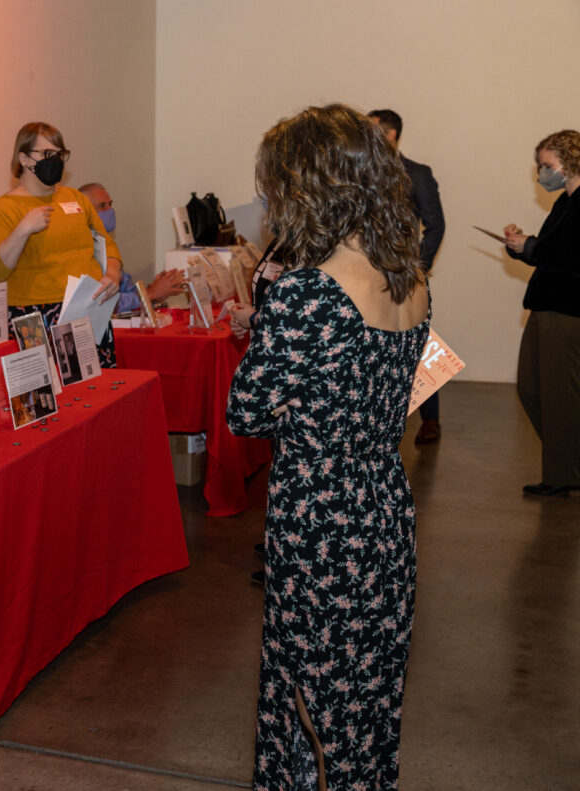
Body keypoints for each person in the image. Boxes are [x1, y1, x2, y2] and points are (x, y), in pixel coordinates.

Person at [227, 104, 429, 789]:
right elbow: (390, 390)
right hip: (384, 503)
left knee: (311, 682)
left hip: (318, 512)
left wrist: (286, 376)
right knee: (370, 685)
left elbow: (246, 409)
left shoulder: (306, 294)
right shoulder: (410, 278)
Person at [503, 129, 580, 497]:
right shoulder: (567, 201)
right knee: (531, 389)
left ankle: (565, 476)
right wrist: (521, 246)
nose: (540, 172)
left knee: (559, 396)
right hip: (548, 307)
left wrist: (529, 246)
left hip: (568, 312)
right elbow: (551, 251)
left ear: (570, 162)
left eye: (546, 165)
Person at [0, 122, 121, 367]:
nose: (55, 161)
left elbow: (107, 245)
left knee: (96, 394)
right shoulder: (3, 209)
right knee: (52, 399)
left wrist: (113, 274)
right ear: (23, 158)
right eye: (46, 154)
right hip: (35, 316)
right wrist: (22, 231)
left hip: (87, 310)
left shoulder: (75, 199)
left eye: (59, 154)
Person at [368, 109, 446, 444]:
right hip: (368, 274)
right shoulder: (360, 173)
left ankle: (431, 419)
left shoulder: (417, 174)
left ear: (390, 135)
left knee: (420, 342)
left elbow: (436, 225)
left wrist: (417, 268)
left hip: (406, 273)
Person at [77, 182, 185, 312]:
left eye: (110, 204)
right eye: (102, 206)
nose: (110, 210)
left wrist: (158, 290)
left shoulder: (108, 248)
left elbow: (128, 291)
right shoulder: (80, 252)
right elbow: (102, 303)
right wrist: (150, 293)